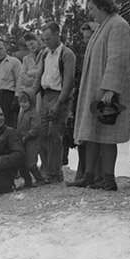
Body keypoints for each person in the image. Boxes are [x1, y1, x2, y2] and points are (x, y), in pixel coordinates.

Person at [70, 0, 130, 192]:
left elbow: (117, 59)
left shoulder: (118, 25)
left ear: (103, 6)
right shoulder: (103, 27)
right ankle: (89, 176)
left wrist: (110, 89)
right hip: (95, 87)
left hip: (105, 90)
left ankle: (108, 178)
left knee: (107, 135)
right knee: (92, 133)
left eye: (92, 8)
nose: (90, 13)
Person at [35, 21, 77, 184]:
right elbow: (40, 76)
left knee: (55, 134)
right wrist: (31, 93)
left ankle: (55, 172)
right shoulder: (45, 54)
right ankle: (46, 169)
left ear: (58, 35)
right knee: (41, 133)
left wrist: (59, 103)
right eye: (44, 40)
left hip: (60, 97)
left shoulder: (67, 54)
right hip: (46, 96)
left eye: (49, 39)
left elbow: (68, 81)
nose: (47, 42)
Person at [64, 21, 95, 171]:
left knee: (92, 137)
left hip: (94, 99)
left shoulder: (98, 54)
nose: (86, 41)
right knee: (81, 136)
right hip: (80, 98)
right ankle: (83, 171)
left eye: (89, 38)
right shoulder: (85, 56)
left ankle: (92, 171)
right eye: (84, 38)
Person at [16, 88, 44, 188]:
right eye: (20, 102)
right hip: (23, 141)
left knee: (31, 163)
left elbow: (36, 128)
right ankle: (28, 181)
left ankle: (39, 179)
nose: (22, 104)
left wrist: (27, 136)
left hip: (32, 141)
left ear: (31, 101)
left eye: (25, 102)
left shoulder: (34, 113)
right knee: (23, 162)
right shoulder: (21, 114)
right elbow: (19, 127)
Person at [17, 32, 43, 97]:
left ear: (37, 41)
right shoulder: (26, 59)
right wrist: (38, 76)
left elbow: (45, 74)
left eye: (32, 44)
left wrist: (30, 72)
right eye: (28, 45)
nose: (31, 47)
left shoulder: (46, 54)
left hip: (43, 93)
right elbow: (22, 78)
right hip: (30, 94)